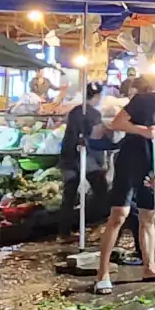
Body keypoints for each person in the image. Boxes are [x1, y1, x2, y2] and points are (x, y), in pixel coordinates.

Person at [94, 80, 155, 293]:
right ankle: (102, 273)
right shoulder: (143, 101)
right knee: (119, 214)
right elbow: (117, 123)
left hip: (151, 167)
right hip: (129, 161)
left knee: (148, 217)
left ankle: (150, 268)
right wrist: (142, 130)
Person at [59, 83, 112, 221]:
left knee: (69, 195)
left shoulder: (74, 111)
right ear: (97, 96)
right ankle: (97, 222)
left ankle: (64, 232)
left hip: (68, 157)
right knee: (101, 192)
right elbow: (97, 135)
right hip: (87, 159)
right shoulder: (94, 114)